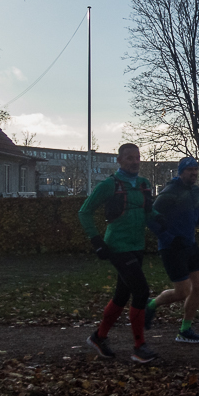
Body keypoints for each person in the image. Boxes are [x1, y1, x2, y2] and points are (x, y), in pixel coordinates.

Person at [78, 143, 158, 364]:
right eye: (130, 158)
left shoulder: (144, 184)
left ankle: (99, 337)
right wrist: (96, 241)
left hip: (137, 245)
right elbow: (84, 212)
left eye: (137, 157)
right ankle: (139, 346)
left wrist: (170, 224)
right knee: (141, 292)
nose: (135, 162)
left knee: (122, 296)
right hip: (117, 246)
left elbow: (150, 215)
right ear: (119, 161)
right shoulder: (109, 185)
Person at [144, 157, 199, 344]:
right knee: (182, 292)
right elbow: (150, 219)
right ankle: (150, 304)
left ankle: (185, 330)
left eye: (196, 169)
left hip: (190, 245)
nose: (194, 173)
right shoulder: (169, 192)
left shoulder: (195, 191)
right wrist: (169, 239)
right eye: (190, 170)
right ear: (180, 172)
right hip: (171, 248)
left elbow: (194, 217)